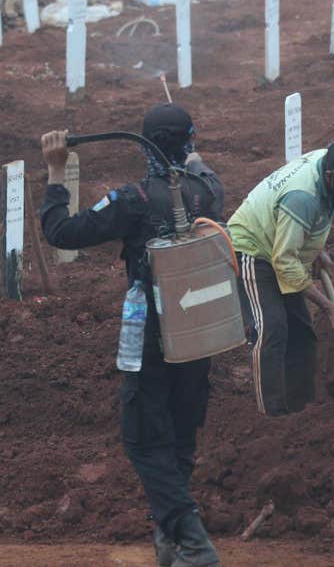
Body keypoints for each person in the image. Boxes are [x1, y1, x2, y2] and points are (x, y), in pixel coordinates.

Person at [40, 104, 223, 566]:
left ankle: (194, 542)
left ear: (144, 144)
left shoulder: (133, 200)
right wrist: (191, 153)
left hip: (150, 341)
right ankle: (172, 543)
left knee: (142, 438)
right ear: (187, 141)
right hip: (198, 336)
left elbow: (60, 231)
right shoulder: (209, 192)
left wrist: (57, 170)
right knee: (180, 438)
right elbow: (201, 170)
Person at [228, 140, 334, 417]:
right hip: (251, 248)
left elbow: (308, 219)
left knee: (302, 333)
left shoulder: (330, 161)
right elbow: (284, 260)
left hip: (280, 241)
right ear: (331, 178)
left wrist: (314, 247)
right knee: (270, 328)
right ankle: (272, 416)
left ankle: (302, 413)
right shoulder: (303, 197)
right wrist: (330, 307)